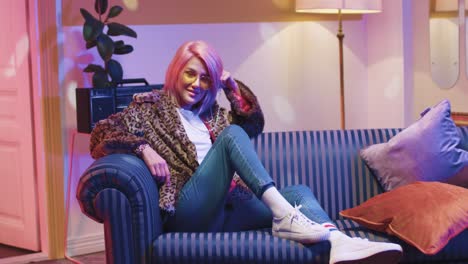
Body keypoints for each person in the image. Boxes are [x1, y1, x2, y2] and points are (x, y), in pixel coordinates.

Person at [89, 40, 403, 264]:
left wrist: (231, 89)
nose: (197, 84)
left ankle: (338, 242)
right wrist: (143, 148)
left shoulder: (212, 113)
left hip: (229, 209)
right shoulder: (149, 107)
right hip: (188, 211)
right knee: (233, 135)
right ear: (176, 70)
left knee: (298, 190)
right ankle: (284, 216)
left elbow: (252, 124)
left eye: (205, 78)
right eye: (190, 73)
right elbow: (101, 132)